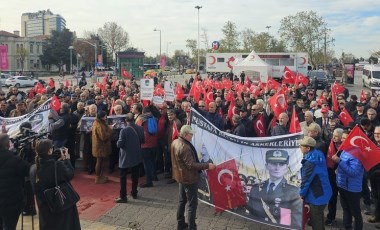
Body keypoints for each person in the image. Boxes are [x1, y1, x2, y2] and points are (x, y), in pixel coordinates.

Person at [171, 125, 216, 230]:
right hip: (189, 178)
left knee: (182, 201)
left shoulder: (175, 142)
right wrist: (207, 166)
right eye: (191, 134)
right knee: (192, 204)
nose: (192, 136)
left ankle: (180, 223)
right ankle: (192, 227)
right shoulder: (185, 147)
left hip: (181, 177)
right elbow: (191, 165)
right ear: (186, 135)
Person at [31, 139, 81, 230]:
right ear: (50, 150)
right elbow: (70, 174)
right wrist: (66, 160)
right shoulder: (57, 166)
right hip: (60, 207)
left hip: (44, 208)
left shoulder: (33, 169)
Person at [247, 150, 302, 228]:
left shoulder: (293, 192)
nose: (277, 168)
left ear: (286, 167)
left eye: (281, 164)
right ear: (266, 166)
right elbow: (251, 216)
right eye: (273, 164)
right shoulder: (256, 189)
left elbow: (296, 223)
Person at [299, 136, 332, 230]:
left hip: (316, 195)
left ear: (308, 148)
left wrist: (301, 194)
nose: (300, 147)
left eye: (302, 146)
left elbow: (306, 181)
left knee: (315, 221)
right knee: (319, 217)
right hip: (323, 192)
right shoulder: (318, 153)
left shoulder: (310, 162)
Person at [0, 134, 30, 230]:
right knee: (9, 227)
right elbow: (29, 171)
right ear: (8, 145)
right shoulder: (15, 159)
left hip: (10, 201)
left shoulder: (14, 158)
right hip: (12, 202)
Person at [115, 113, 145, 203]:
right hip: (136, 155)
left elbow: (119, 144)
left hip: (126, 156)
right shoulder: (140, 128)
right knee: (135, 176)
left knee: (123, 177)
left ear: (126, 120)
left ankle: (123, 196)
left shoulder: (123, 131)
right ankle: (134, 192)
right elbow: (143, 141)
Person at [332, 147, 364, 230]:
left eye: (344, 138)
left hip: (352, 188)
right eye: (342, 137)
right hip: (342, 185)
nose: (342, 140)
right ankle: (347, 227)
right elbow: (343, 166)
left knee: (355, 212)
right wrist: (338, 170)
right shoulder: (344, 150)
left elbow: (353, 172)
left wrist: (339, 161)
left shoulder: (357, 153)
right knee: (346, 209)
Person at [92, 111, 113, 184]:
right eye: (105, 116)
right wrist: (110, 129)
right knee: (99, 162)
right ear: (102, 117)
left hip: (99, 146)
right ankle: (97, 177)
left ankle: (100, 176)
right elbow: (103, 137)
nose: (106, 117)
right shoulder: (99, 124)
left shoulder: (98, 122)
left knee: (100, 162)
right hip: (100, 146)